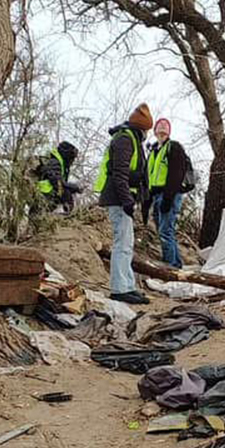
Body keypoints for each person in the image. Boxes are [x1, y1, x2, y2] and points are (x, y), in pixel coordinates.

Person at [95, 104, 153, 305]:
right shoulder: (125, 139)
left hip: (123, 199)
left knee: (127, 244)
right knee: (122, 244)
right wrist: (127, 201)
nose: (147, 134)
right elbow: (119, 174)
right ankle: (119, 289)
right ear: (142, 128)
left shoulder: (130, 138)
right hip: (118, 200)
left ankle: (127, 286)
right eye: (146, 130)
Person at [147, 118, 186, 268]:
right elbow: (150, 176)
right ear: (154, 131)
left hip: (169, 194)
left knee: (165, 231)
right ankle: (175, 263)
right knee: (164, 230)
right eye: (160, 125)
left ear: (169, 132)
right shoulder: (154, 150)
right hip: (157, 195)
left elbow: (176, 174)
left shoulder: (173, 147)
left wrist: (168, 199)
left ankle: (171, 266)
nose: (162, 126)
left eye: (166, 125)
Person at [33, 141, 81, 213]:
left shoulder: (60, 163)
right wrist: (72, 187)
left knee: (66, 191)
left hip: (46, 196)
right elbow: (56, 181)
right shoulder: (54, 162)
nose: (72, 160)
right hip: (44, 196)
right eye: (72, 157)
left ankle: (66, 212)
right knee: (66, 191)